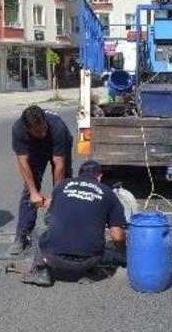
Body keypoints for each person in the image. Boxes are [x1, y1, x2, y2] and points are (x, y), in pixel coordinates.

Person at [21, 161, 126, 287]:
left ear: (79, 175)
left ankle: (41, 271)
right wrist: (123, 254)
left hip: (53, 259)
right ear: (100, 177)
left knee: (39, 230)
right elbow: (117, 236)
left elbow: (50, 216)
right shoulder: (109, 194)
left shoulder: (62, 185)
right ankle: (89, 271)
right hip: (90, 261)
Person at [9, 105, 73, 255]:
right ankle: (22, 235)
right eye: (37, 131)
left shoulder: (58, 128)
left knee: (65, 189)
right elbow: (23, 163)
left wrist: (55, 196)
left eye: (44, 128)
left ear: (46, 121)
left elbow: (59, 164)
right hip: (35, 149)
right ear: (28, 129)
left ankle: (65, 233)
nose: (43, 133)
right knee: (29, 191)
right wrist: (33, 192)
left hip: (59, 146)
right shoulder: (19, 130)